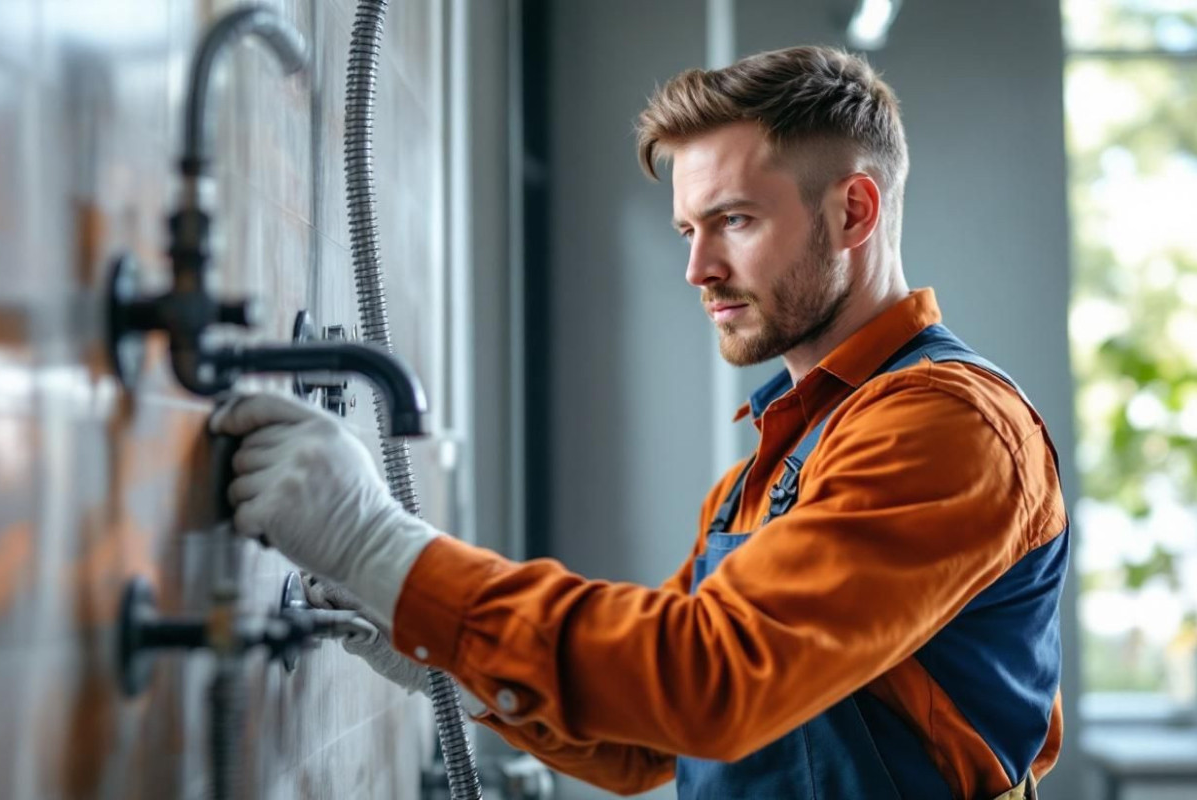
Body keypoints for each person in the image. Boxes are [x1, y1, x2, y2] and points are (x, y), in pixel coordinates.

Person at [210, 45, 1067, 800]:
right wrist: (439, 657)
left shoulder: (948, 425)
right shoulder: (776, 459)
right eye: (689, 229)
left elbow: (711, 681)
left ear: (853, 212)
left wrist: (381, 551)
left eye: (735, 220)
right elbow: (644, 740)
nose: (698, 268)